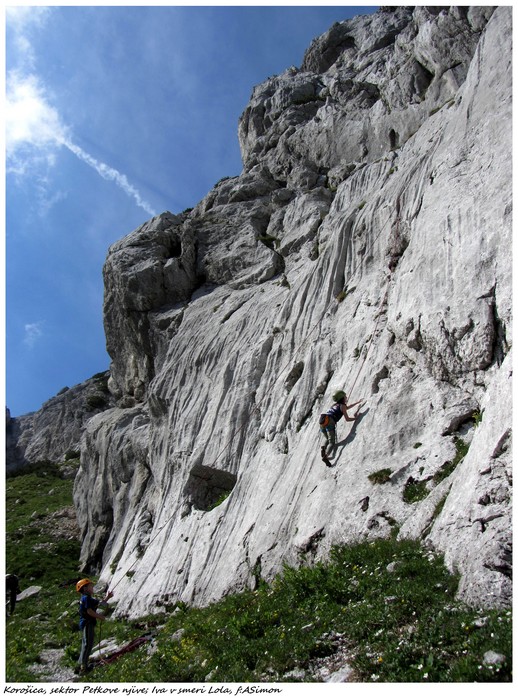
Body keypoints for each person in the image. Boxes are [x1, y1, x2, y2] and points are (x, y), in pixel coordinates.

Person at [75, 578, 113, 674]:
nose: (92, 588)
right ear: (85, 589)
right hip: (87, 623)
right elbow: (89, 611)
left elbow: (100, 604)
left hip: (88, 623)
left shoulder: (89, 598)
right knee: (87, 644)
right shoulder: (86, 598)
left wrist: (108, 597)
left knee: (87, 643)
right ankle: (83, 667)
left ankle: (81, 665)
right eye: (90, 586)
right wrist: (101, 617)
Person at [319, 390, 364, 464]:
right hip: (330, 422)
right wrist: (356, 418)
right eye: (345, 396)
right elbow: (347, 419)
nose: (346, 397)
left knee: (327, 438)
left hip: (323, 421)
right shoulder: (342, 406)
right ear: (342, 398)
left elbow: (346, 407)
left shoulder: (334, 405)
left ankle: (323, 447)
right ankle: (326, 456)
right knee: (332, 442)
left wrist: (357, 402)